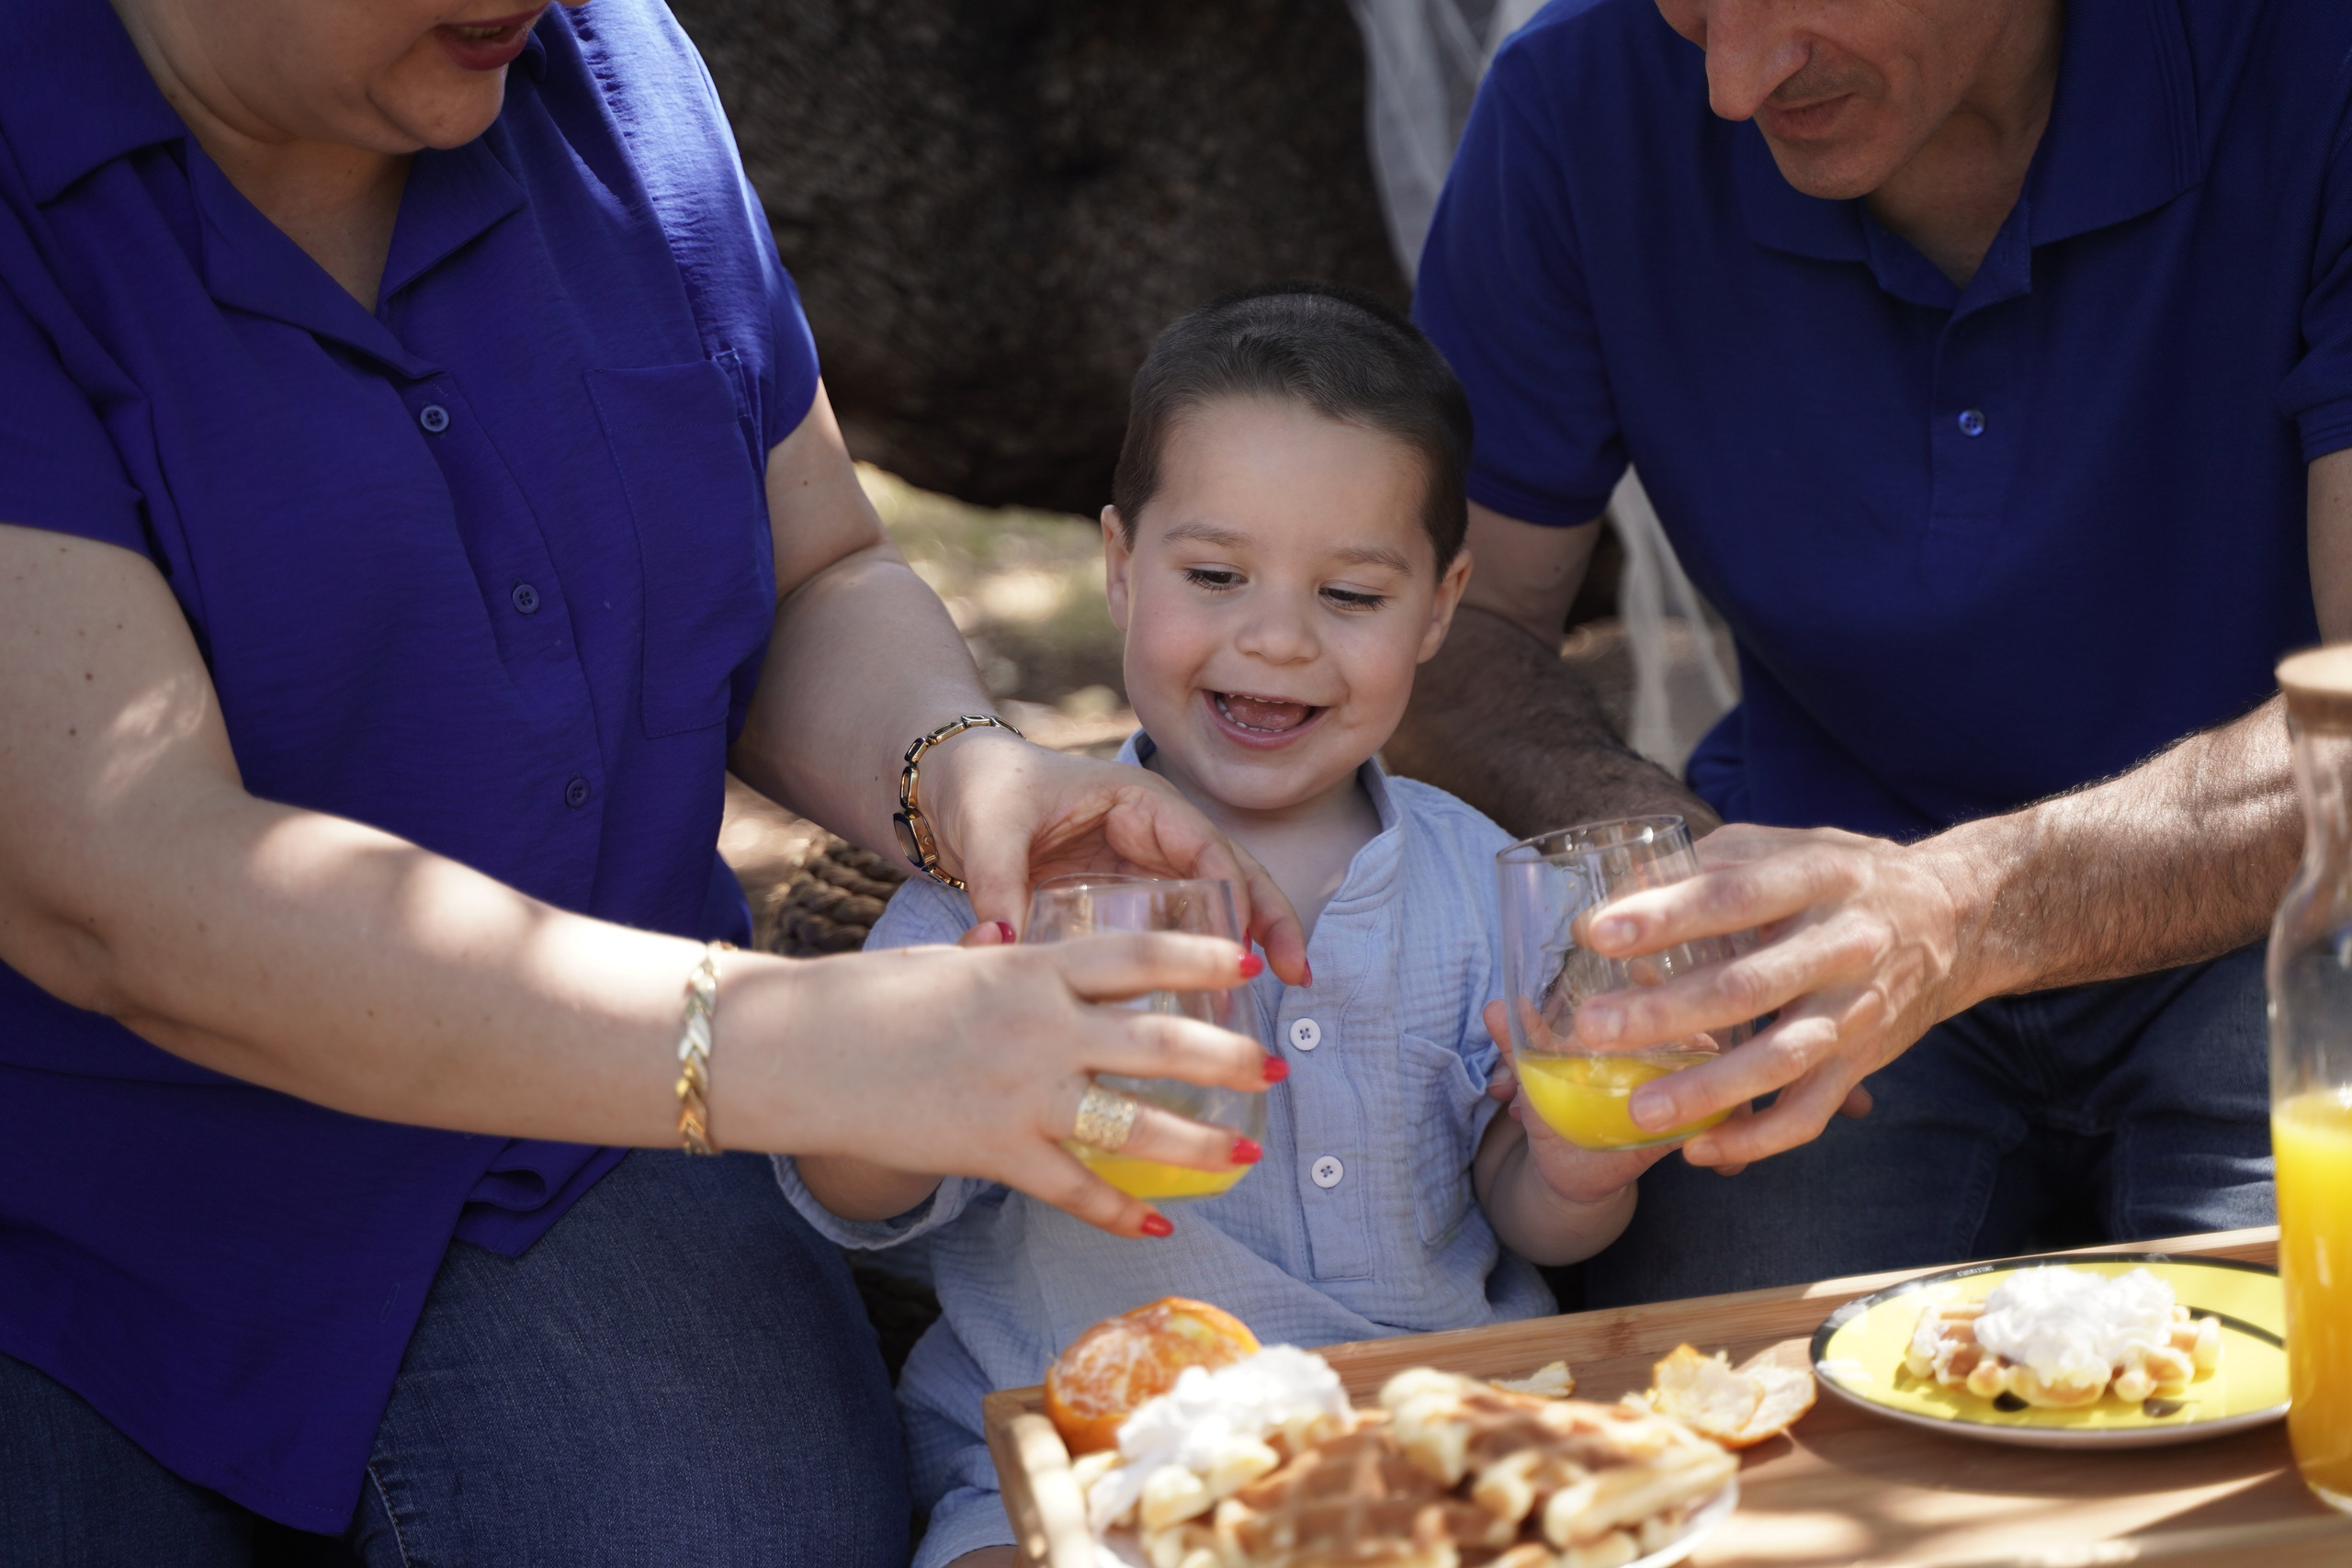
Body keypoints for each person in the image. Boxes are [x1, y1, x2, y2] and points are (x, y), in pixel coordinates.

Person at [0, 1, 1311, 1562]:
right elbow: (114, 891)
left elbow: (814, 567)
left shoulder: (609, 68)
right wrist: (786, 1044)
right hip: (89, 1208)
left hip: (588, 1136)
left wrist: (964, 772)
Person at [1386, 0, 2352, 1305]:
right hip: (1814, 916)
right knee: (1721, 1408)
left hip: (2285, 913)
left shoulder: (2312, 56)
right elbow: (1451, 634)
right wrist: (1676, 874)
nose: (1730, 85)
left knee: (2291, 1386)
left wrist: (1958, 910)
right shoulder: (1579, 90)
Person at [782, 287, 1672, 1568]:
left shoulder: (1486, 880)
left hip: (1424, 1442)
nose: (1275, 636)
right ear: (1117, 567)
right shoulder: (1013, 882)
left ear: (1440, 605)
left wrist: (1578, 1171)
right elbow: (849, 1189)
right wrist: (926, 1076)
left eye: (1352, 595)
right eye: (1215, 576)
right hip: (1079, 1464)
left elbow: (1522, 1213)